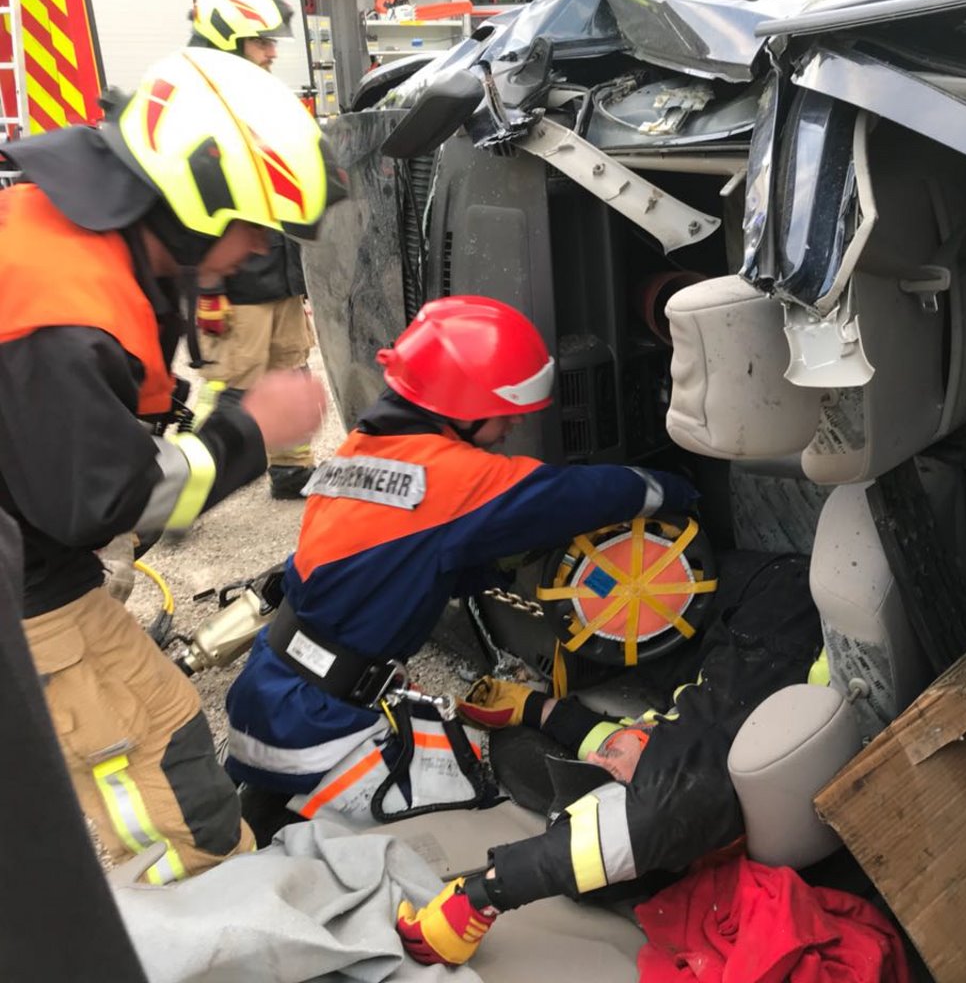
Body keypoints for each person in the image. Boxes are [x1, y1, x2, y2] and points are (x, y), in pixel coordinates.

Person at [0, 46, 346, 882]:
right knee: (163, 772)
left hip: (32, 559)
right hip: (27, 589)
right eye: (253, 226)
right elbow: (102, 499)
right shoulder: (62, 315)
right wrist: (250, 432)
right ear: (192, 203)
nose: (256, 250)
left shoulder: (60, 234)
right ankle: (202, 904)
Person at [223, 295, 700, 835]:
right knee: (482, 821)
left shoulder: (364, 448)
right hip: (316, 730)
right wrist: (677, 488)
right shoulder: (452, 478)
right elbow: (579, 494)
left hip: (269, 693)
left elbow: (402, 561)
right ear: (463, 408)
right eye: (506, 413)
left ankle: (267, 811)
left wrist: (489, 568)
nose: (513, 426)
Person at [396, 551, 822, 966]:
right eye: (608, 768)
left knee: (595, 598)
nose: (600, 758)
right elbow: (645, 810)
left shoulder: (678, 754)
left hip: (724, 622)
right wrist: (484, 896)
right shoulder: (695, 774)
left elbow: (616, 751)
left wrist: (533, 708)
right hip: (776, 602)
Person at [188, 0, 319, 499]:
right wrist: (208, 286)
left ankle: (292, 469)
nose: (272, 52)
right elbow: (191, 204)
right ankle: (183, 490)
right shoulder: (199, 107)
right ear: (227, 40)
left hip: (278, 272)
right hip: (235, 282)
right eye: (261, 41)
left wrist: (297, 278)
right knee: (232, 389)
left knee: (290, 375)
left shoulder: (257, 99)